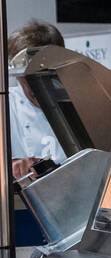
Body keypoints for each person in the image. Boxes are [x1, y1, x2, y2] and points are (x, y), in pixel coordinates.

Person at [7, 19, 68, 180]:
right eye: (26, 75)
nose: (35, 83)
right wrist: (9, 167)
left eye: (43, 73)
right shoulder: (6, 106)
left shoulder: (80, 104)